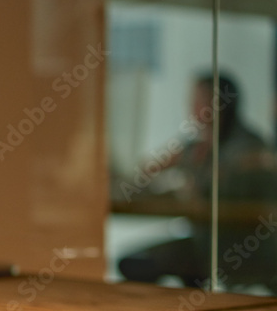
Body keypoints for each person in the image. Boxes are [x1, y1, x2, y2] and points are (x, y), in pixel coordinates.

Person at [118, 73, 277, 290]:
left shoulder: (250, 147)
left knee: (143, 265)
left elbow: (220, 186)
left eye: (198, 100)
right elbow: (149, 168)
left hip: (238, 249)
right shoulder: (197, 147)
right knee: (134, 263)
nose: (191, 107)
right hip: (204, 244)